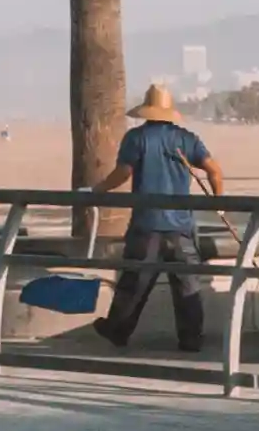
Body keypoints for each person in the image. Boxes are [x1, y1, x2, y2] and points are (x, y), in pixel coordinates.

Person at [91, 84, 224, 352]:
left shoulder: (136, 138)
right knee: (187, 285)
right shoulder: (187, 139)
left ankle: (118, 330)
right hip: (181, 227)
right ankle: (191, 338)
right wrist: (218, 201)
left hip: (147, 224)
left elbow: (124, 172)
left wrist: (98, 190)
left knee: (134, 283)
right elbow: (214, 171)